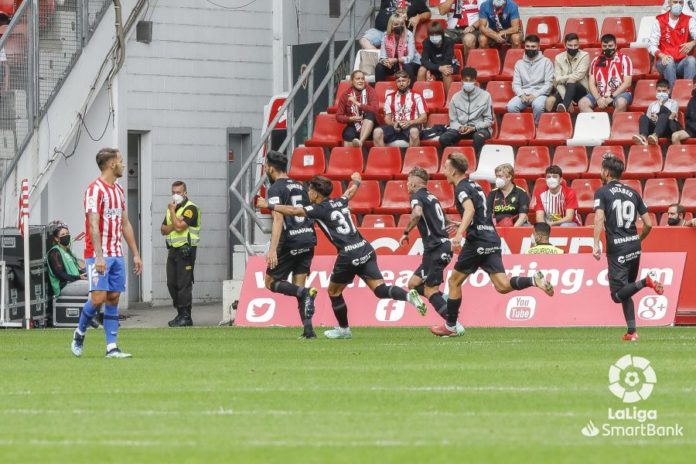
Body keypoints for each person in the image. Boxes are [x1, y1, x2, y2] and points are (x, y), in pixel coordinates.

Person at [256, 173, 427, 339]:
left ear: (315, 193)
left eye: (309, 191)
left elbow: (293, 211)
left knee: (333, 291)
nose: (308, 193)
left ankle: (344, 329)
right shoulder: (340, 201)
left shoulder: (318, 209)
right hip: (365, 248)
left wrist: (269, 205)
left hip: (348, 255)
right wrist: (357, 183)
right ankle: (408, 296)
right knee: (380, 289)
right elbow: (349, 193)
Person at [431, 153, 554, 337]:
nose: (444, 171)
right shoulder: (477, 186)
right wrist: (464, 223)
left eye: (447, 168)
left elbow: (470, 209)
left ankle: (450, 326)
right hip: (491, 238)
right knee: (502, 286)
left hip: (477, 241)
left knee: (453, 281)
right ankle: (533, 280)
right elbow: (482, 212)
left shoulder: (461, 188)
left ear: (455, 170)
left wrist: (458, 235)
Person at [71, 148, 143, 358]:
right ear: (112, 164)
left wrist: (136, 254)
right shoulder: (95, 190)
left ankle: (111, 347)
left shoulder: (118, 191)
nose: (123, 164)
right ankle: (79, 332)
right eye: (120, 161)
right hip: (98, 254)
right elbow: (93, 225)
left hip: (116, 253)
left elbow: (125, 223)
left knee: (113, 298)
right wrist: (99, 256)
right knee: (98, 298)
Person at [592, 155, 665, 341]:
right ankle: (632, 332)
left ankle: (645, 282)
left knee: (617, 295)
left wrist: (595, 244)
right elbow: (649, 224)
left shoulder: (602, 192)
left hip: (617, 247)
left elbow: (599, 218)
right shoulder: (634, 193)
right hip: (634, 245)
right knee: (627, 291)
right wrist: (638, 239)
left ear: (607, 172)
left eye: (602, 170)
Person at [260, 151, 318, 339]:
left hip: (289, 241)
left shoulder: (276, 188)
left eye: (266, 166)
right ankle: (308, 330)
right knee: (299, 285)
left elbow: (278, 219)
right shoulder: (301, 186)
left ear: (270, 167)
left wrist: (272, 250)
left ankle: (306, 292)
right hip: (307, 238)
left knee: (270, 282)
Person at [400, 167, 463, 331]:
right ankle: (446, 301)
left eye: (408, 181)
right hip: (436, 249)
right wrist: (453, 224)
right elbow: (443, 218)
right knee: (413, 284)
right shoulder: (432, 197)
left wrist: (406, 232)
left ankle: (453, 324)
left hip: (436, 248)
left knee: (429, 291)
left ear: (414, 182)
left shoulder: (417, 196)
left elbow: (417, 213)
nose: (407, 184)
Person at [160, 180, 200, 327]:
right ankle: (179, 312)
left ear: (185, 193)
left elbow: (179, 227)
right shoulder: (172, 209)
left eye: (178, 192)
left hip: (186, 250)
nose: (175, 195)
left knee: (184, 284)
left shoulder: (191, 209)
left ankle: (186, 315)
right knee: (172, 283)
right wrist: (174, 223)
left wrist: (172, 213)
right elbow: (163, 229)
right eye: (173, 192)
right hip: (172, 250)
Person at [439, 67, 493, 155]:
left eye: (470, 80)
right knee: (444, 138)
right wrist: (460, 127)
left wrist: (474, 127)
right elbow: (453, 121)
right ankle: (456, 160)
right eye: (466, 80)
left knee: (478, 137)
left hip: (479, 128)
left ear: (475, 80)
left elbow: (489, 120)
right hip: (461, 128)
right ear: (461, 80)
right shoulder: (455, 97)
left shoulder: (486, 96)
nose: (468, 82)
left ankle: (477, 163)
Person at [578, 34, 633, 114]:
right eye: (604, 46)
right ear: (601, 46)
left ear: (616, 46)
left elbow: (627, 83)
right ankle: (597, 125)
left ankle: (614, 126)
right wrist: (598, 98)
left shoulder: (625, 59)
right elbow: (591, 83)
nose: (607, 48)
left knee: (621, 103)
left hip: (619, 94)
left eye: (610, 46)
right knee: (582, 103)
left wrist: (611, 97)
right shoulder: (596, 60)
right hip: (600, 93)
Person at [373, 70, 428, 147]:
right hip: (394, 127)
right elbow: (387, 118)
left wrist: (409, 122)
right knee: (377, 132)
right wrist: (393, 124)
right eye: (398, 81)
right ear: (396, 83)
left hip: (411, 127)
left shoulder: (417, 96)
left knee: (414, 132)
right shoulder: (389, 97)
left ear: (408, 82)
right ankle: (384, 158)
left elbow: (424, 118)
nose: (401, 83)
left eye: (403, 81)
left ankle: (411, 158)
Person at [507, 34, 554, 124]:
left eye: (533, 46)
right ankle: (522, 126)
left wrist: (535, 95)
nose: (530, 49)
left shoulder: (546, 62)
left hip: (540, 94)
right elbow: (516, 84)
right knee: (511, 106)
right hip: (524, 94)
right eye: (527, 46)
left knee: (538, 105)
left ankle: (537, 127)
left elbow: (548, 84)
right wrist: (521, 94)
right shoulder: (519, 63)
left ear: (538, 47)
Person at [650, 0, 696, 90]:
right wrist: (662, 55)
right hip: (663, 61)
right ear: (669, 3)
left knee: (691, 60)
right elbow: (651, 45)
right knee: (669, 61)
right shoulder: (659, 20)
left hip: (681, 62)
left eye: (680, 2)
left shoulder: (689, 19)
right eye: (675, 2)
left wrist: (693, 43)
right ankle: (672, 94)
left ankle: (687, 94)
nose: (678, 5)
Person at [544, 33, 590, 113]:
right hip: (564, 89)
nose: (573, 48)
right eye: (570, 45)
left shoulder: (584, 56)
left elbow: (578, 76)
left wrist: (560, 78)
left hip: (581, 91)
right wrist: (567, 97)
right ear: (565, 45)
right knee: (549, 102)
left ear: (578, 45)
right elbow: (557, 82)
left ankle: (565, 105)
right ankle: (551, 124)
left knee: (572, 81)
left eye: (575, 45)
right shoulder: (558, 58)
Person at [360, 1, 431, 50]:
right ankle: (380, 57)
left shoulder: (416, 1)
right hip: (380, 31)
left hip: (399, 33)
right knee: (364, 41)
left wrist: (419, 17)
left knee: (396, 48)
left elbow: (428, 13)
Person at [632, 78, 682, 146]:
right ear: (656, 92)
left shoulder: (673, 103)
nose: (661, 93)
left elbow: (671, 117)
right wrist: (653, 119)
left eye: (664, 91)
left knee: (663, 116)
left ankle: (655, 136)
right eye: (659, 91)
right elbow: (648, 120)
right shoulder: (652, 105)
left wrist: (661, 105)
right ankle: (643, 137)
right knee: (643, 117)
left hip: (669, 129)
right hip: (655, 128)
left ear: (668, 91)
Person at [336, 70, 379, 147]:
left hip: (371, 125)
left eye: (362, 79)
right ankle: (349, 158)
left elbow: (375, 109)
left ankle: (360, 142)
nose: (361, 81)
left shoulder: (370, 91)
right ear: (352, 81)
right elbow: (338, 116)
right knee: (347, 135)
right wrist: (350, 119)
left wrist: (356, 103)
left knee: (370, 113)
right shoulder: (346, 95)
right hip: (354, 125)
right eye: (358, 79)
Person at [417, 21, 460, 95]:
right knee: (422, 70)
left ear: (441, 34)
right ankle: (420, 98)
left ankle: (449, 101)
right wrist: (434, 68)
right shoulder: (426, 42)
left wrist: (434, 68)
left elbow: (447, 61)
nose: (434, 37)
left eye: (436, 34)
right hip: (435, 67)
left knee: (446, 72)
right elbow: (424, 60)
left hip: (448, 66)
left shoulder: (449, 42)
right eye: (431, 35)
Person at [47, 223, 89, 297]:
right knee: (95, 287)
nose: (66, 236)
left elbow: (76, 269)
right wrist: (79, 277)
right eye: (63, 235)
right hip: (64, 286)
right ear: (57, 238)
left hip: (74, 281)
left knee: (99, 282)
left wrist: (86, 274)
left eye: (67, 233)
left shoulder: (67, 251)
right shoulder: (54, 252)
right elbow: (60, 274)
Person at [375, 14, 420, 83]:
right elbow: (382, 56)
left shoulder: (408, 34)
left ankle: (411, 91)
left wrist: (396, 60)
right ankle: (380, 91)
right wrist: (386, 62)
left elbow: (410, 57)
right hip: (394, 64)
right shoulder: (385, 35)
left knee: (407, 66)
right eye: (396, 24)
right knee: (379, 67)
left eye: (401, 24)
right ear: (391, 25)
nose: (399, 26)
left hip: (411, 63)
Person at [671, 76, 696, 144]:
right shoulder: (692, 100)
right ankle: (680, 154)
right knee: (675, 136)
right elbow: (687, 119)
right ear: (694, 86)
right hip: (692, 130)